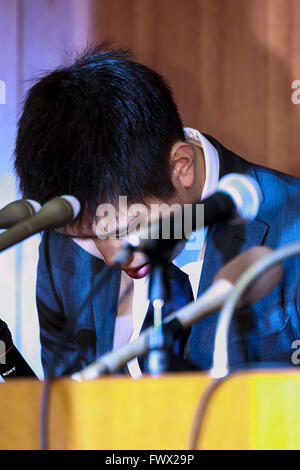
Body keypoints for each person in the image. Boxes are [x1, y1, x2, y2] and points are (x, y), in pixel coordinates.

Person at [14, 43, 300, 378]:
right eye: (88, 237)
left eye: (126, 227)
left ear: (181, 167)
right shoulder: (61, 248)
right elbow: (63, 414)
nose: (110, 256)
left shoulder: (291, 224)